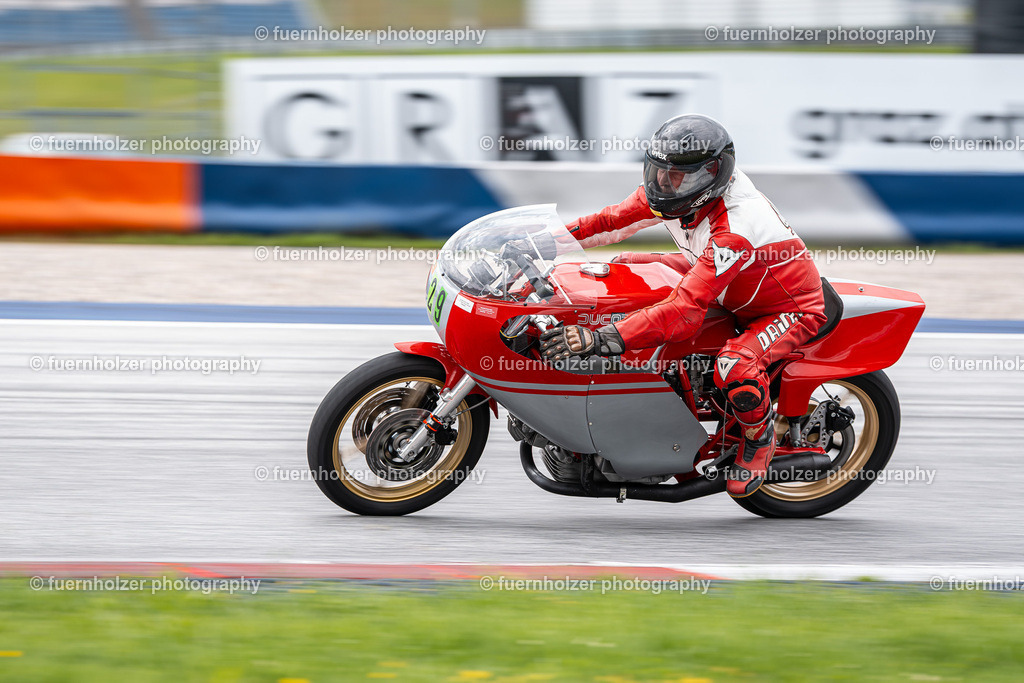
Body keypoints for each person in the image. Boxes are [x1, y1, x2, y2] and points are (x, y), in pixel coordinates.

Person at [539, 114, 827, 498]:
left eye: (677, 176)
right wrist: (544, 243)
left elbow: (684, 313)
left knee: (735, 364)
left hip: (786, 308)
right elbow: (609, 222)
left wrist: (601, 338)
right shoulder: (671, 192)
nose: (663, 183)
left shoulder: (734, 229)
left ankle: (759, 439)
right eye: (658, 171)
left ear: (712, 176)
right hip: (723, 279)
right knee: (623, 267)